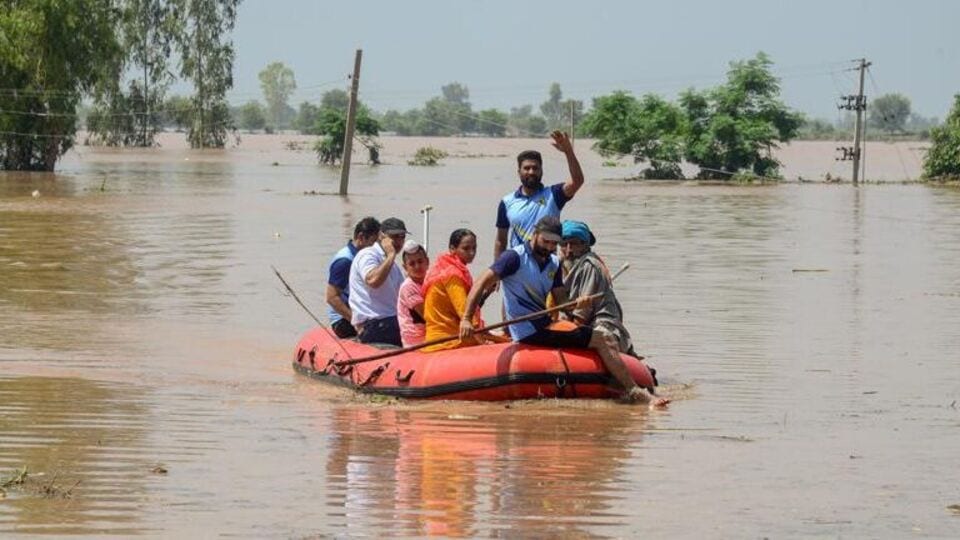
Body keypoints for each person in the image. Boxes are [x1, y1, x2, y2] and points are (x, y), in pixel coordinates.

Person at [461, 216, 662, 404]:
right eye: (545, 241)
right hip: (528, 329)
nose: (548, 247)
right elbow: (481, 282)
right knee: (603, 339)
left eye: (553, 243)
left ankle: (628, 385)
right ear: (535, 234)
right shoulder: (514, 258)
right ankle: (635, 391)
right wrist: (467, 318)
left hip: (546, 324)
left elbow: (562, 300)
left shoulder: (553, 263)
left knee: (598, 336)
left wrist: (578, 303)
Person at [494, 131, 584, 260]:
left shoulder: (554, 195)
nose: (531, 172)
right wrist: (496, 273)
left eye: (535, 168)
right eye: (526, 168)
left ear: (541, 171)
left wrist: (568, 151)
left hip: (546, 265)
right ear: (519, 172)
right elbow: (500, 241)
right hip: (516, 267)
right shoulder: (507, 202)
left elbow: (578, 181)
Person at [558, 220, 637, 357]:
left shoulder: (590, 266)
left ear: (585, 245)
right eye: (564, 244)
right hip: (575, 323)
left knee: (601, 339)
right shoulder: (558, 266)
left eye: (574, 243)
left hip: (601, 324)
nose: (569, 250)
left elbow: (581, 317)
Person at [421, 229, 490, 352]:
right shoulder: (452, 274)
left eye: (474, 248)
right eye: (466, 248)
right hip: (447, 341)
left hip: (443, 337)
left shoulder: (443, 268)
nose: (472, 252)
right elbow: (465, 313)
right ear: (453, 249)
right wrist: (483, 343)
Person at [348, 217, 407, 347]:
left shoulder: (393, 266)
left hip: (391, 321)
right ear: (382, 236)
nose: (399, 241)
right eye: (394, 237)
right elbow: (373, 281)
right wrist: (391, 255)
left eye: (402, 237)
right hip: (374, 324)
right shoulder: (368, 255)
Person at [325, 217, 380, 338]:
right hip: (342, 320)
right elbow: (332, 297)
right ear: (361, 237)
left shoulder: (365, 259)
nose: (376, 248)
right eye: (373, 242)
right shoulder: (345, 261)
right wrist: (355, 322)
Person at [397, 240, 429, 347]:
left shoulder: (431, 280)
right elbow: (427, 315)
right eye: (412, 264)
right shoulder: (408, 287)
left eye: (420, 261)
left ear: (427, 262)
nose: (417, 267)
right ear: (405, 267)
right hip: (415, 341)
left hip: (430, 334)